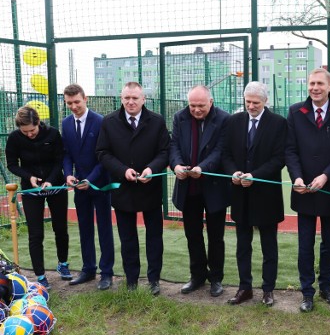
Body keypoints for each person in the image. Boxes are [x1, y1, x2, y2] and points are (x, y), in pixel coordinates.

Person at [285, 68, 330, 313]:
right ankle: (307, 292)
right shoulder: (295, 112)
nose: (315, 88)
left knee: (328, 242)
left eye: (320, 84)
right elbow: (290, 150)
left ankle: (326, 286)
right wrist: (297, 178)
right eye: (311, 83)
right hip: (303, 190)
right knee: (305, 244)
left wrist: (326, 176)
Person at [96, 81, 170, 295]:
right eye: (126, 98)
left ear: (143, 99)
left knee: (154, 236)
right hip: (122, 189)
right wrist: (122, 170)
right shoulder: (109, 122)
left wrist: (151, 169)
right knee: (127, 238)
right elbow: (102, 152)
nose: (130, 102)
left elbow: (164, 151)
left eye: (135, 98)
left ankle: (154, 280)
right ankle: (131, 281)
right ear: (121, 99)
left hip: (150, 188)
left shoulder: (156, 121)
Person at [222, 81, 287, 307]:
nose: (250, 106)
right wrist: (233, 172)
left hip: (266, 194)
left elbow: (279, 158)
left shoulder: (278, 123)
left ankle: (268, 289)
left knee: (269, 245)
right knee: (243, 245)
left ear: (265, 101)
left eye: (255, 103)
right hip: (240, 195)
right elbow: (226, 153)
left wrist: (255, 175)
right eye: (247, 101)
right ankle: (244, 287)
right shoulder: (233, 122)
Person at [169, 85, 230, 297]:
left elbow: (221, 150)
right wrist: (176, 165)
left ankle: (216, 278)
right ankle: (197, 276)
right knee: (192, 234)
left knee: (216, 236)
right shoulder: (180, 117)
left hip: (213, 187)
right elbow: (174, 145)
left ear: (210, 102)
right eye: (192, 105)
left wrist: (202, 168)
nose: (196, 109)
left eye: (201, 106)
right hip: (188, 186)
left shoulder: (223, 119)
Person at [5, 106, 70, 289]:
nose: (29, 134)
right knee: (35, 233)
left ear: (38, 123)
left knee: (60, 228)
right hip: (31, 190)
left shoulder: (53, 135)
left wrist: (50, 180)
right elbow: (12, 164)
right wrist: (29, 177)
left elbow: (59, 161)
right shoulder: (15, 138)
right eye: (24, 131)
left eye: (32, 130)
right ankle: (40, 275)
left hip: (55, 186)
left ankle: (63, 264)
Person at [61, 83, 116, 290]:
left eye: (77, 102)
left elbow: (105, 156)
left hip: (100, 184)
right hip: (79, 186)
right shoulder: (66, 124)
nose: (73, 106)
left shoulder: (101, 122)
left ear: (86, 99)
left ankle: (107, 273)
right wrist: (68, 175)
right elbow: (66, 154)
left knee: (104, 228)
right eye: (69, 103)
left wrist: (90, 180)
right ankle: (88, 269)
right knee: (84, 228)